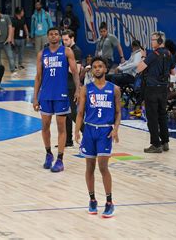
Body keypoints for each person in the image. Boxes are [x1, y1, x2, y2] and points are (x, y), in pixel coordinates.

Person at [74, 56, 121, 218]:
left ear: (106, 69)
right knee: (89, 167)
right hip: (89, 130)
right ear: (92, 70)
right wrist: (76, 131)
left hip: (104, 132)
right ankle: (92, 199)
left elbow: (118, 112)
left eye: (100, 66)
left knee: (103, 166)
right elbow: (80, 113)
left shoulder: (114, 89)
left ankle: (109, 202)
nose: (98, 69)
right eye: (95, 67)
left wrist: (116, 129)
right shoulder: (86, 89)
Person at [33, 27, 80, 172]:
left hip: (61, 95)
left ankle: (60, 160)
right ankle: (48, 154)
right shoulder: (42, 54)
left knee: (61, 127)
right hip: (46, 95)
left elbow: (75, 73)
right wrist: (35, 97)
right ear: (47, 37)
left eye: (56, 34)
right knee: (45, 126)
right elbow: (38, 77)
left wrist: (78, 89)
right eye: (51, 34)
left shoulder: (67, 52)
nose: (53, 36)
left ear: (59, 37)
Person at [137, 31, 176, 153]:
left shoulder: (153, 55)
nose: (151, 42)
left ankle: (155, 144)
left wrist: (143, 56)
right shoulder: (169, 54)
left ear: (160, 41)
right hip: (163, 89)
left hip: (152, 89)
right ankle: (165, 142)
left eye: (153, 40)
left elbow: (139, 69)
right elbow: (173, 72)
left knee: (152, 117)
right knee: (162, 115)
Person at [62, 29, 83, 147]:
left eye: (66, 40)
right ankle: (67, 140)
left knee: (74, 114)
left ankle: (87, 134)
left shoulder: (76, 51)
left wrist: (61, 65)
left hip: (71, 86)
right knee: (65, 114)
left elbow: (76, 70)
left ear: (72, 38)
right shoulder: (66, 51)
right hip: (64, 85)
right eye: (63, 40)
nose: (64, 42)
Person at [0, 6, 17, 76]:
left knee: (10, 56)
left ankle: (13, 71)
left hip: (6, 41)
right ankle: (0, 71)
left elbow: (10, 27)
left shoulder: (6, 17)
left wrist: (9, 37)